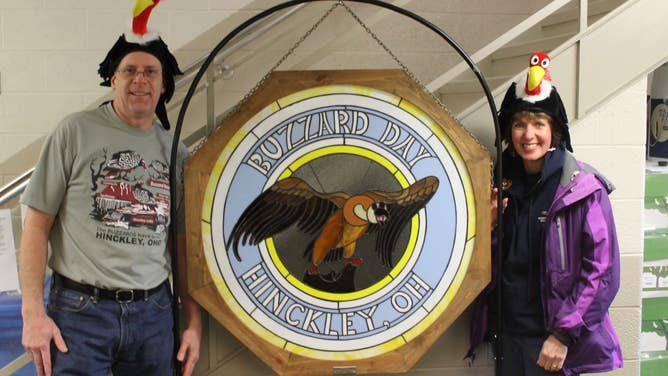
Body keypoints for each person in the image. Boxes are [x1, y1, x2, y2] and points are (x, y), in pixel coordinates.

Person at [18, 1, 201, 375]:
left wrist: (193, 324)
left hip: (154, 314)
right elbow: (36, 226)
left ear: (164, 83)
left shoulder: (176, 151)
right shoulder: (74, 131)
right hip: (80, 313)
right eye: (129, 70)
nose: (140, 80)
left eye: (151, 72)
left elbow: (182, 246)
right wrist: (32, 314)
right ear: (112, 79)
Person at [467, 52, 623, 375]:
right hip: (507, 337)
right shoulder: (498, 184)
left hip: (552, 343)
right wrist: (490, 227)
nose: (528, 135)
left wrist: (562, 335)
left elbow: (602, 273)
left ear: (555, 131)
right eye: (519, 124)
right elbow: (484, 263)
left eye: (539, 124)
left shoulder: (582, 190)